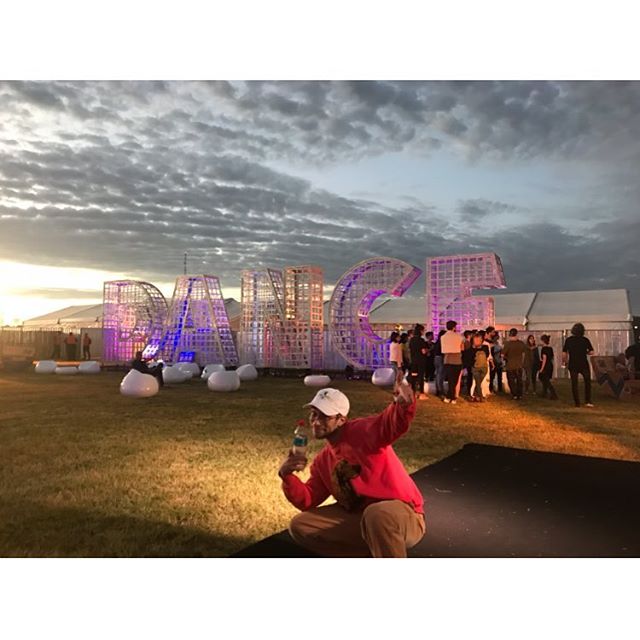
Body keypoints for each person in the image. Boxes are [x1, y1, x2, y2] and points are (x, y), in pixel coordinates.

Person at [278, 381, 425, 558]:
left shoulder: (362, 431)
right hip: (362, 518)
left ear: (341, 420)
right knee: (300, 526)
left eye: (324, 416)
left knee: (377, 515)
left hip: (403, 515)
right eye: (313, 414)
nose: (315, 422)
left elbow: (390, 424)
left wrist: (402, 404)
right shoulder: (323, 460)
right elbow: (307, 499)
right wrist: (286, 475)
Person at [562, 323, 595, 408]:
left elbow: (564, 353)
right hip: (583, 364)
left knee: (574, 383)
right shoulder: (585, 340)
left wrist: (564, 361)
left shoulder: (568, 340)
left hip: (573, 364)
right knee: (587, 382)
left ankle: (577, 403)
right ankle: (587, 401)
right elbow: (592, 352)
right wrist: (585, 352)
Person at [440, 320, 464, 404]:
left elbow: (443, 350)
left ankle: (449, 396)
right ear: (454, 327)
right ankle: (452, 397)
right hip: (457, 359)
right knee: (455, 380)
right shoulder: (459, 337)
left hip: (447, 359)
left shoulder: (443, 337)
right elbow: (462, 348)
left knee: (450, 379)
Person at [502, 328, 527, 400]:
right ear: (516, 334)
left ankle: (514, 395)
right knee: (519, 381)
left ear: (510, 335)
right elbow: (524, 353)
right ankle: (520, 394)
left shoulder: (508, 344)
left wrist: (507, 358)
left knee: (511, 381)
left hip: (510, 366)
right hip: (519, 365)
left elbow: (502, 355)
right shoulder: (521, 343)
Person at [470, 332, 491, 402]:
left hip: (484, 367)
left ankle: (474, 395)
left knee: (478, 382)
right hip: (475, 368)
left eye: (479, 340)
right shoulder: (471, 349)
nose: (477, 341)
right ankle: (481, 397)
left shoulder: (485, 347)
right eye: (475, 340)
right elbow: (469, 358)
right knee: (478, 382)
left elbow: (487, 355)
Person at [408, 324, 428, 400]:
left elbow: (410, 350)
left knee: (413, 376)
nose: (423, 332)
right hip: (421, 361)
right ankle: (421, 393)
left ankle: (413, 392)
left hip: (413, 361)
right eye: (423, 330)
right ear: (420, 331)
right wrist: (427, 350)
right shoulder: (421, 340)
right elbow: (423, 351)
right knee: (420, 377)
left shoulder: (412, 340)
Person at [538, 334, 558, 400]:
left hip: (545, 366)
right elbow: (551, 358)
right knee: (545, 380)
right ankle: (544, 393)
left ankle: (553, 394)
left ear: (543, 341)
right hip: (550, 365)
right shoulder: (550, 348)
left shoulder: (544, 349)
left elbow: (544, 359)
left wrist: (541, 368)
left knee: (546, 381)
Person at [461, 330, 475, 398]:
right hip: (468, 362)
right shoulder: (468, 343)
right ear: (469, 335)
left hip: (465, 361)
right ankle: (468, 390)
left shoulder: (464, 342)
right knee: (469, 376)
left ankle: (466, 389)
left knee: (467, 376)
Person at [433, 329, 446, 397]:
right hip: (441, 358)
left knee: (438, 374)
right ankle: (440, 390)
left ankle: (438, 389)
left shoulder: (437, 342)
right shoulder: (442, 342)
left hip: (436, 358)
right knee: (440, 375)